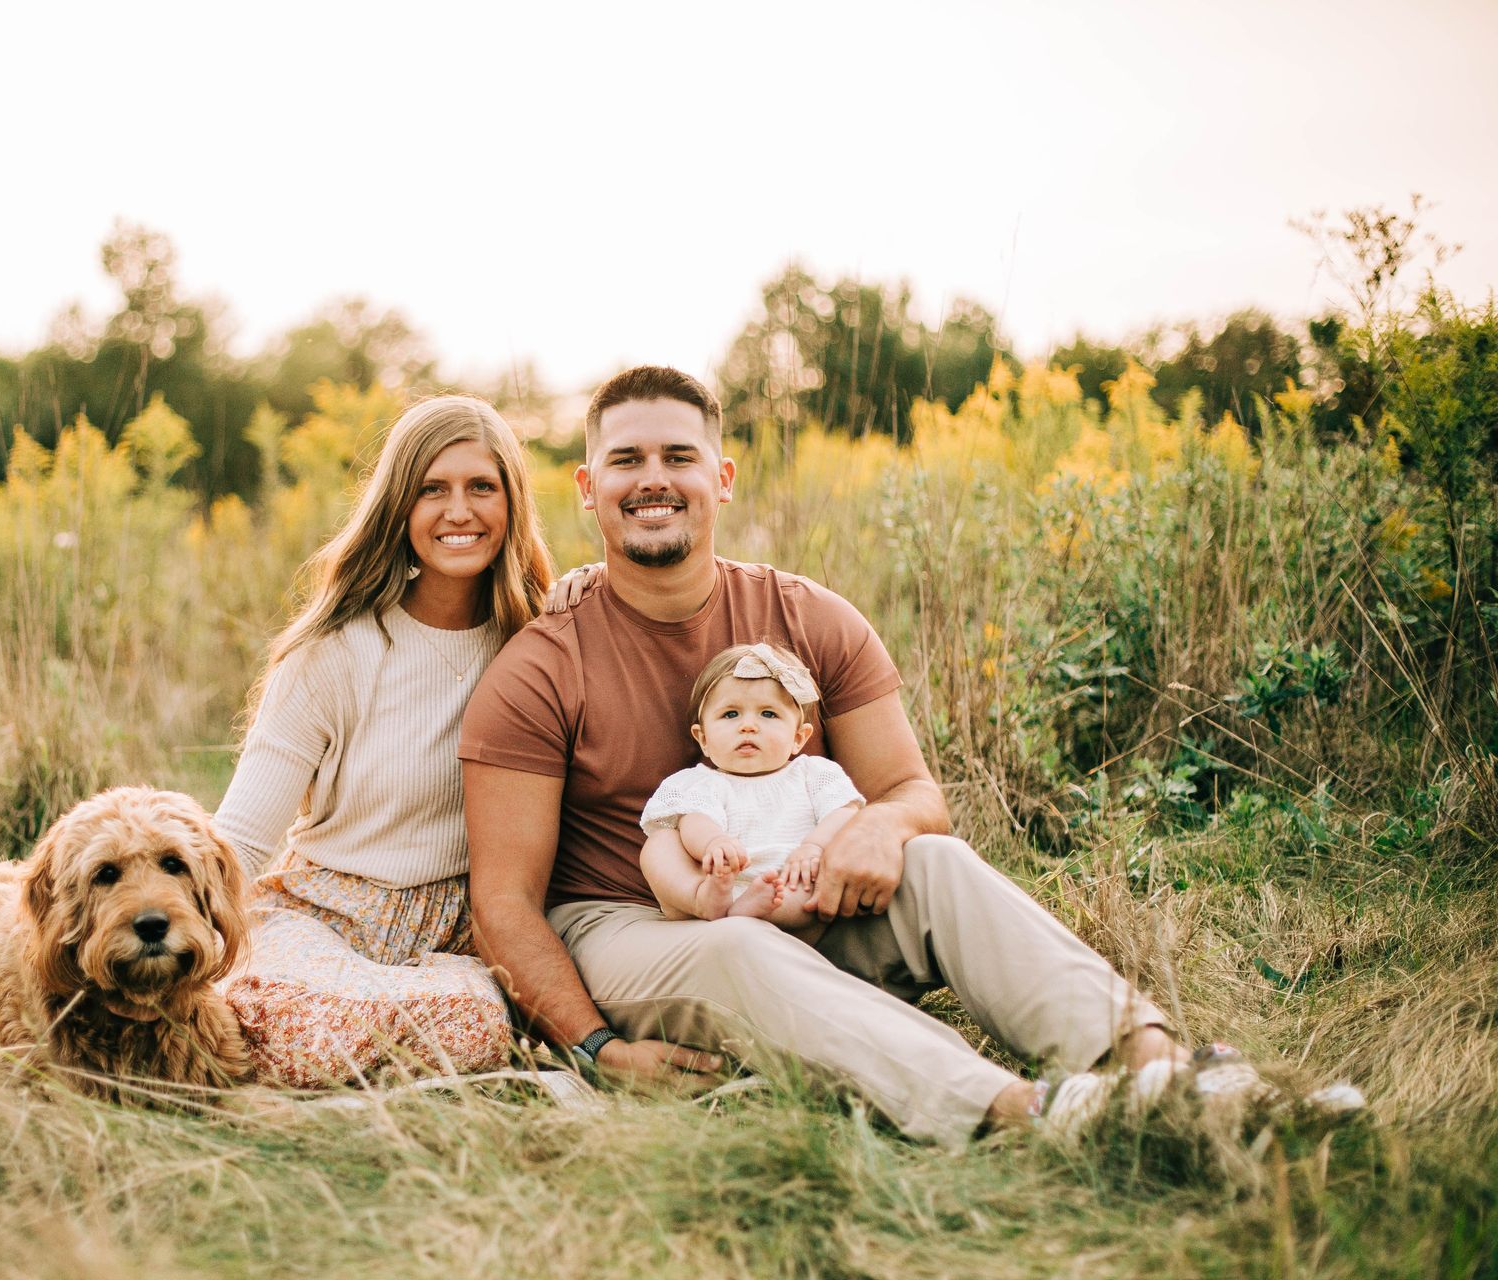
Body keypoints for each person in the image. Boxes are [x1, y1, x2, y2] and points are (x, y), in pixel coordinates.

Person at [459, 364, 1197, 1147]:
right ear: (586, 485)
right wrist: (597, 1048)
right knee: (737, 943)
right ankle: (1021, 1111)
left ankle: (1162, 1070)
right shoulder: (541, 666)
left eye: (679, 457)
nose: (654, 481)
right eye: (626, 460)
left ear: (723, 477)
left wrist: (878, 830)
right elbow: (503, 904)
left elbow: (911, 791)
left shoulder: (809, 616)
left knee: (937, 862)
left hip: (801, 896)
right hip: (631, 923)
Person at [215, 394, 553, 1088]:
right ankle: (362, 1041)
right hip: (326, 913)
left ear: (512, 505)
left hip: (461, 927)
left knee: (483, 1026)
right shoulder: (333, 653)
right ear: (399, 508)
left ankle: (388, 1042)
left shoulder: (539, 644)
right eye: (433, 489)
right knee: (292, 1027)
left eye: (481, 488)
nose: (459, 511)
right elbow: (243, 841)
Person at [638, 641, 860, 940]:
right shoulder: (698, 782)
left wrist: (815, 847)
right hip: (718, 880)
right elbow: (695, 820)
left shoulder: (813, 774)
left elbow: (844, 812)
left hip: (787, 882)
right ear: (702, 738)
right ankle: (702, 900)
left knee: (821, 877)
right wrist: (713, 843)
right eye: (731, 714)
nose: (748, 726)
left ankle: (751, 913)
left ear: (798, 737)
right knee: (660, 844)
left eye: (768, 714)